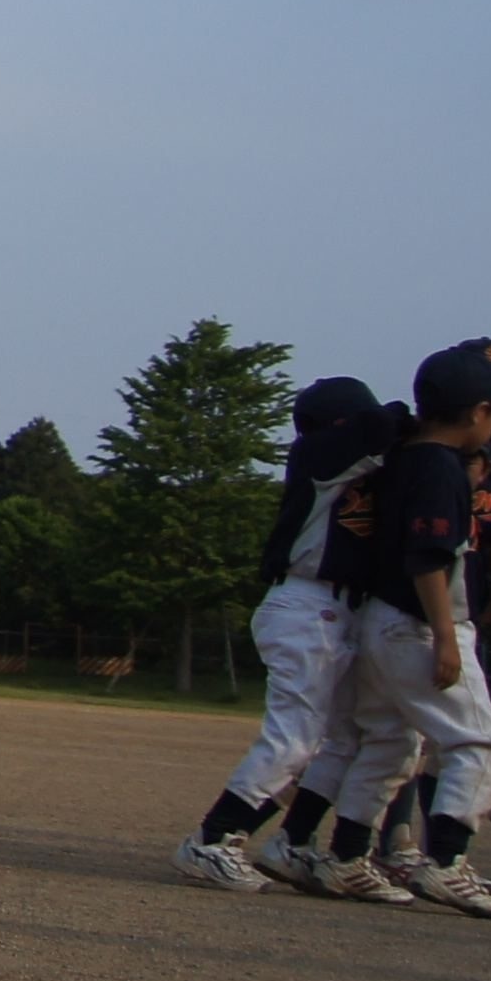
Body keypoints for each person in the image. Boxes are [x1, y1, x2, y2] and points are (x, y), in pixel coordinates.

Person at [312, 339, 491, 916]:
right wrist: (446, 636)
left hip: (382, 620)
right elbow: (428, 559)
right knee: (476, 745)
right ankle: (446, 860)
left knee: (389, 744)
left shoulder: (403, 457)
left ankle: (346, 855)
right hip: (421, 627)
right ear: (477, 412)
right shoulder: (440, 468)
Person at [175, 370, 394, 893]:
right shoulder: (316, 454)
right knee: (295, 737)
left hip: (340, 609)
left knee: (345, 739)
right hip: (306, 604)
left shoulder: (358, 465)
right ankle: (212, 839)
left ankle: (292, 843)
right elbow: (385, 426)